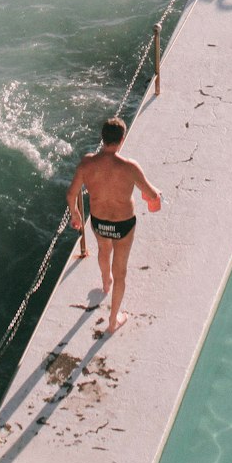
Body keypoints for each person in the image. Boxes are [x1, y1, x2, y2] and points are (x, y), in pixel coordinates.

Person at [67, 116, 161, 334]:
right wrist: (156, 195)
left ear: (102, 139)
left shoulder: (87, 163)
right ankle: (113, 321)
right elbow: (151, 193)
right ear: (122, 139)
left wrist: (75, 214)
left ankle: (105, 283)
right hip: (123, 225)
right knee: (121, 271)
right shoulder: (129, 167)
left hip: (99, 222)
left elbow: (71, 193)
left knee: (103, 249)